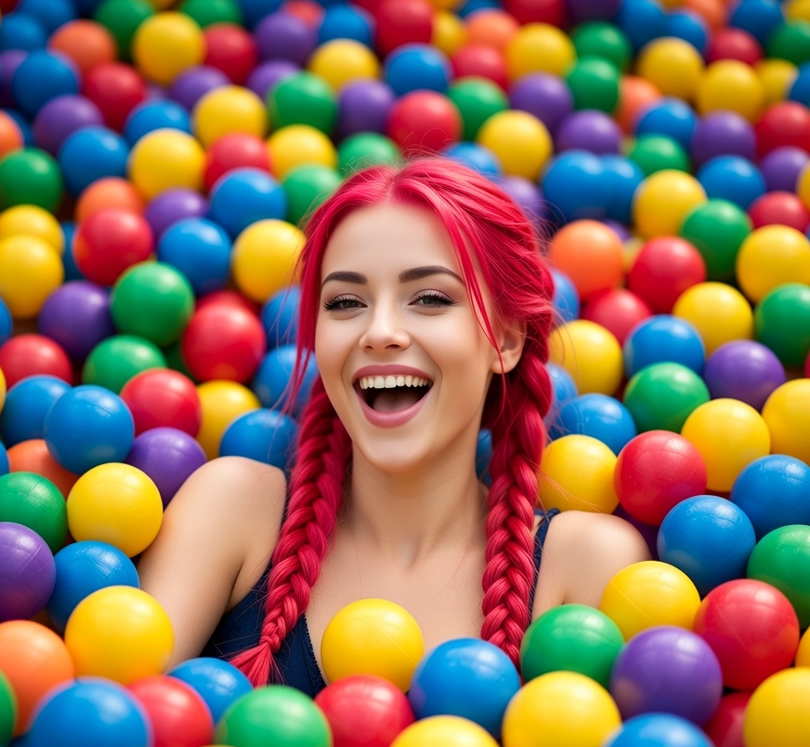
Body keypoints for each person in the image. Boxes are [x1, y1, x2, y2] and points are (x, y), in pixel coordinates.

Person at [138, 157, 650, 695]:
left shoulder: (589, 565)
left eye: (430, 298)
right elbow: (111, 720)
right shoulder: (236, 508)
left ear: (506, 340)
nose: (379, 331)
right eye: (346, 302)